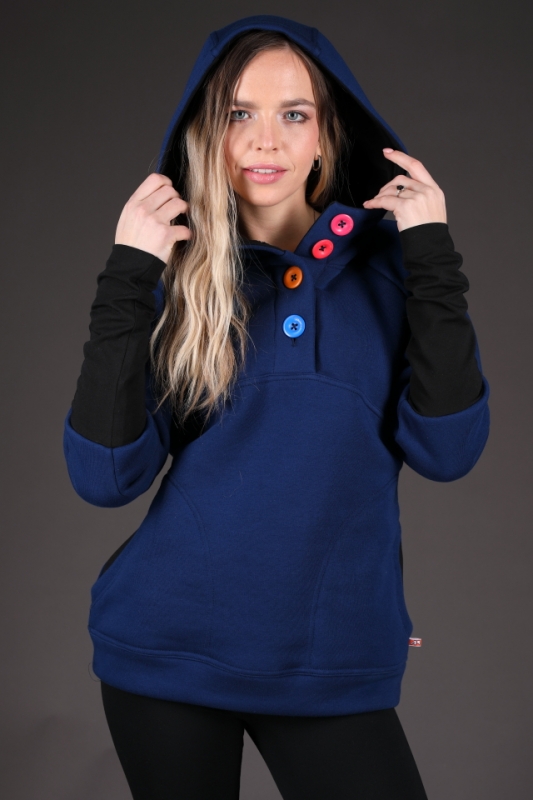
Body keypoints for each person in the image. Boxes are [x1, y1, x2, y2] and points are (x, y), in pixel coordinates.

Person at [63, 14, 490, 800]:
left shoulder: (394, 271)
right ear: (207, 133)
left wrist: (431, 253)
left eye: (293, 114)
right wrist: (126, 276)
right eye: (238, 114)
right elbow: (104, 476)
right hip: (166, 657)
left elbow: (446, 451)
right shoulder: (170, 280)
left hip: (331, 661)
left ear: (326, 135)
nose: (265, 141)